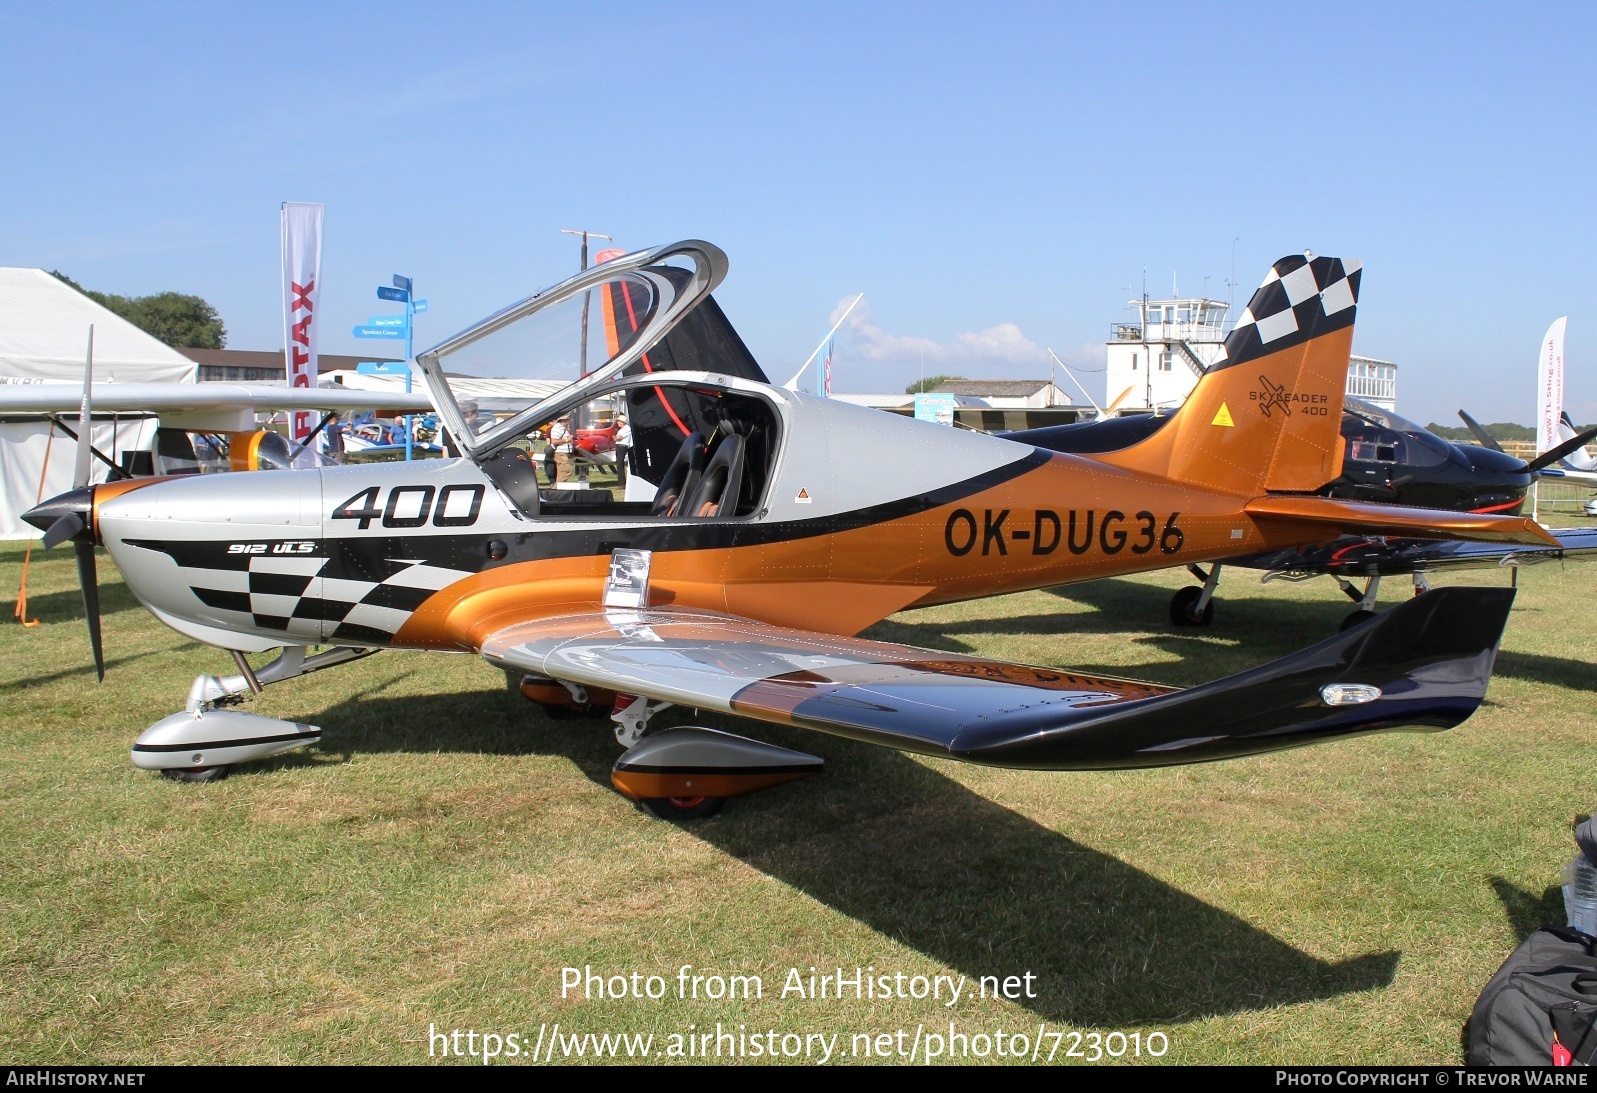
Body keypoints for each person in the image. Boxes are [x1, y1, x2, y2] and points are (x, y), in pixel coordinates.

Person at [549, 414, 575, 485]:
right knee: (566, 470)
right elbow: (554, 441)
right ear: (564, 420)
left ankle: (558, 488)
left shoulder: (563, 428)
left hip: (563, 453)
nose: (569, 420)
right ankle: (557, 487)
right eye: (568, 419)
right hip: (560, 452)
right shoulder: (558, 428)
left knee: (562, 471)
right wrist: (567, 440)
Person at [613, 414, 632, 488]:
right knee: (619, 465)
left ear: (622, 422)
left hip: (622, 446)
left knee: (620, 464)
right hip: (619, 446)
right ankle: (621, 483)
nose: (617, 423)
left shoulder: (626, 428)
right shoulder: (622, 429)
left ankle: (622, 484)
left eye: (618, 421)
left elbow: (619, 438)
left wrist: (614, 437)